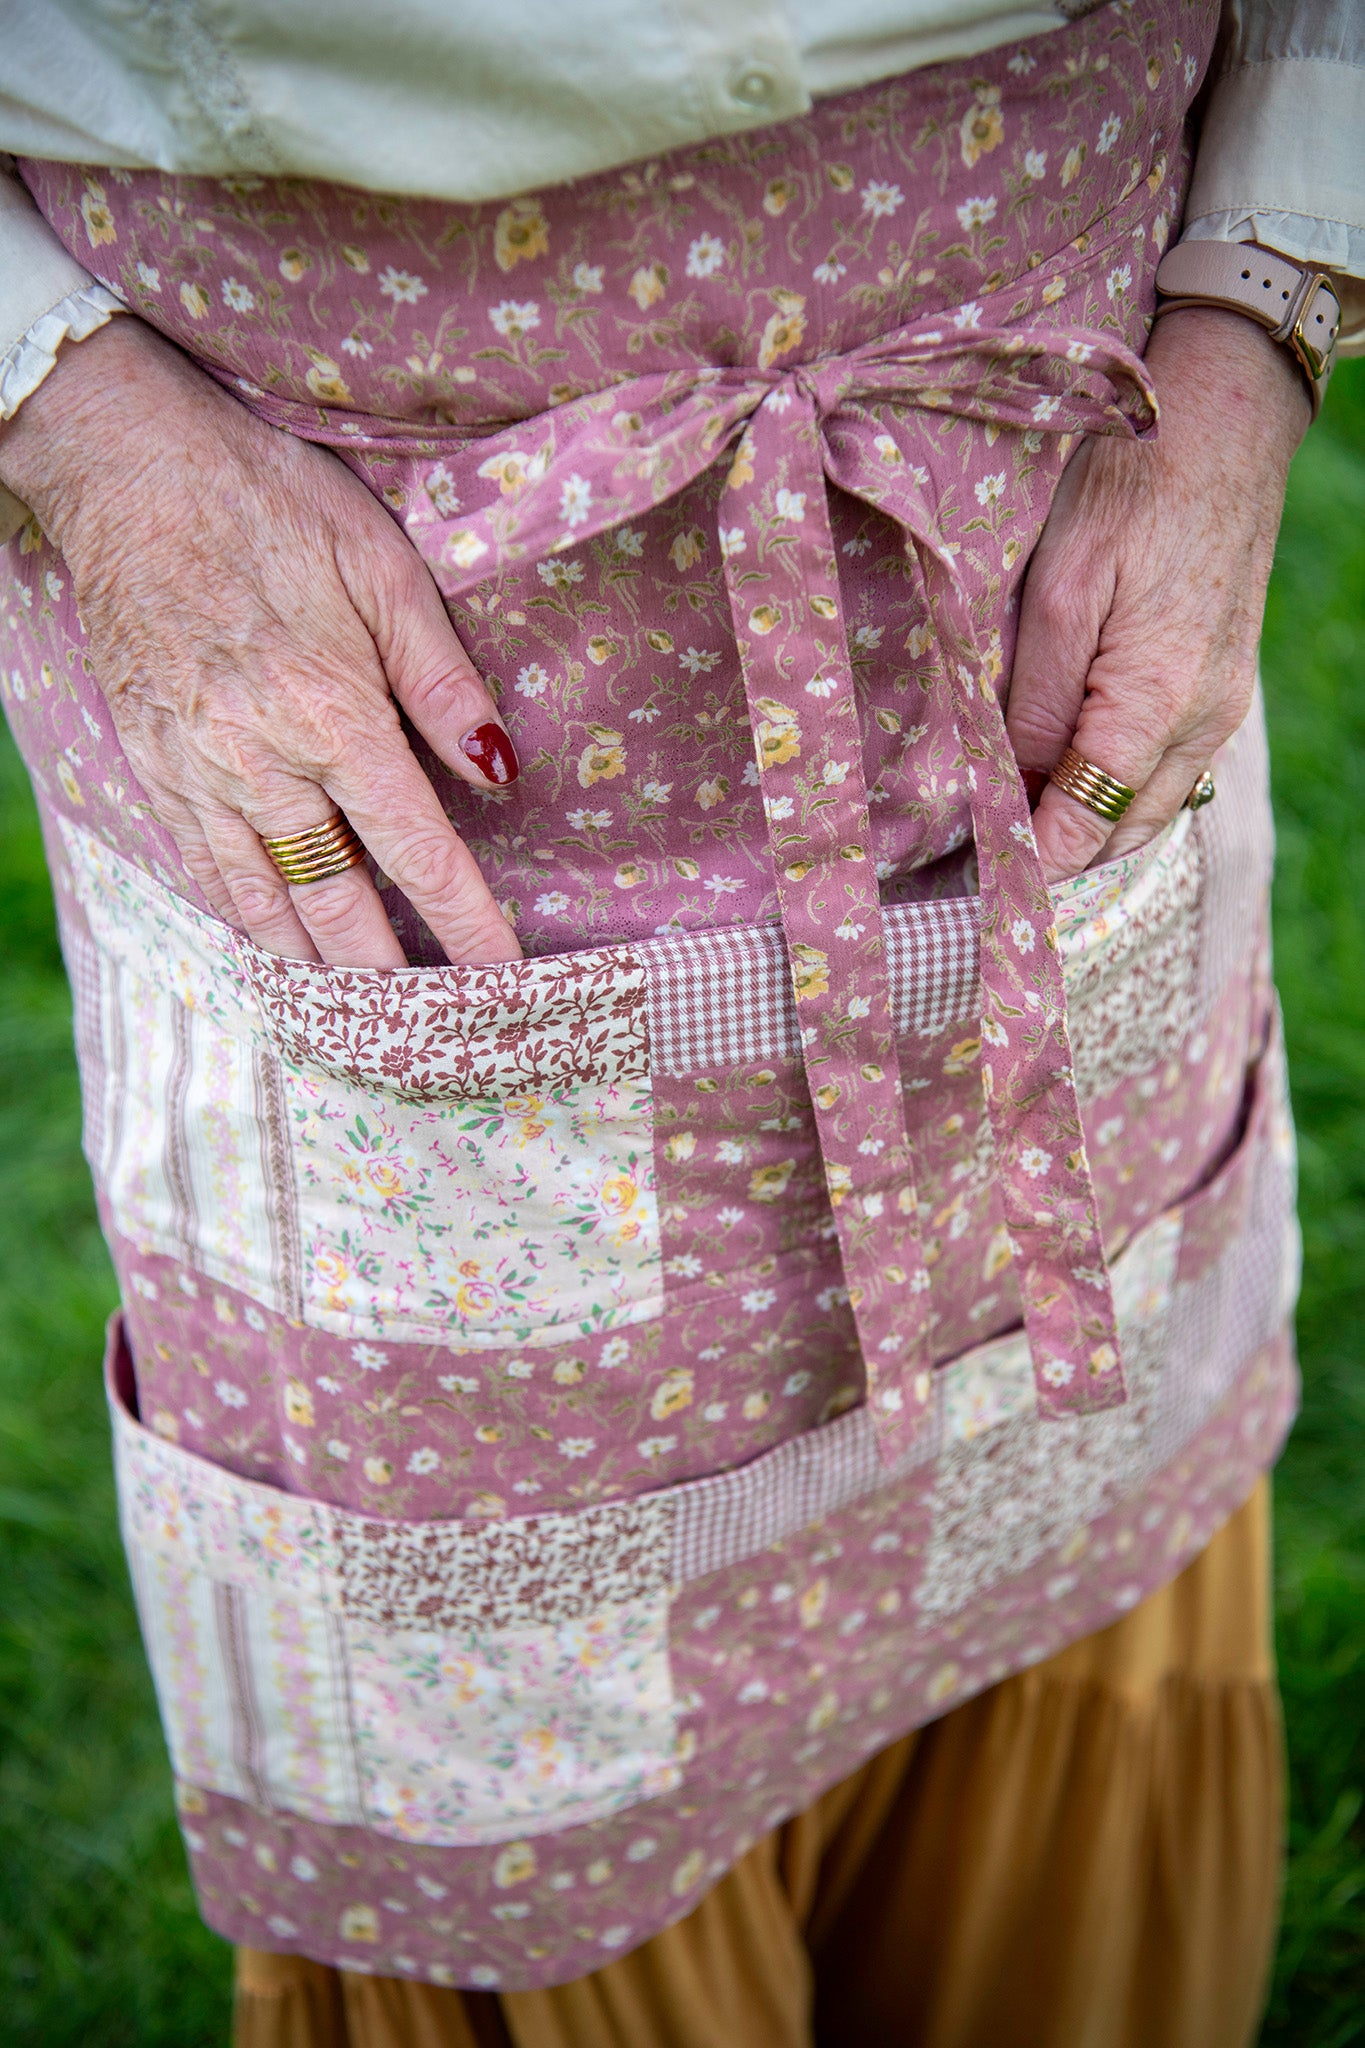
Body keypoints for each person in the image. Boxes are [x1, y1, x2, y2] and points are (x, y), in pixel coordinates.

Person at [0, 4, 1358, 2043]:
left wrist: (1257, 304)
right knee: (513, 1781)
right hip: (361, 679)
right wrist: (62, 418)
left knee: (1060, 1530)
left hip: (1046, 577)